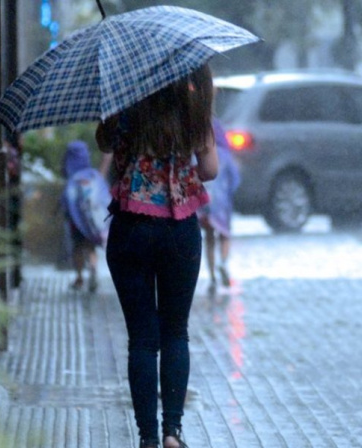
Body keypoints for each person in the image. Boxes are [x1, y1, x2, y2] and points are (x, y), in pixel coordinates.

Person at [96, 64, 218, 448]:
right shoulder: (192, 107)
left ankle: (147, 437)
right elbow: (211, 169)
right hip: (178, 229)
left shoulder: (125, 107)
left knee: (143, 339)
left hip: (131, 229)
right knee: (175, 331)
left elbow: (104, 146)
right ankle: (172, 431)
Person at [198, 118, 241, 295]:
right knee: (224, 235)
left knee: (209, 238)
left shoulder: (202, 154)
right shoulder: (226, 157)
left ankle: (213, 276)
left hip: (204, 203)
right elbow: (235, 181)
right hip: (222, 204)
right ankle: (223, 262)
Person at [61, 140, 99, 292]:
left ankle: (79, 278)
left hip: (75, 221)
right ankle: (93, 270)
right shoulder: (91, 175)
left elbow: (67, 200)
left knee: (77, 247)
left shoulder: (71, 177)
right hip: (91, 221)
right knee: (91, 247)